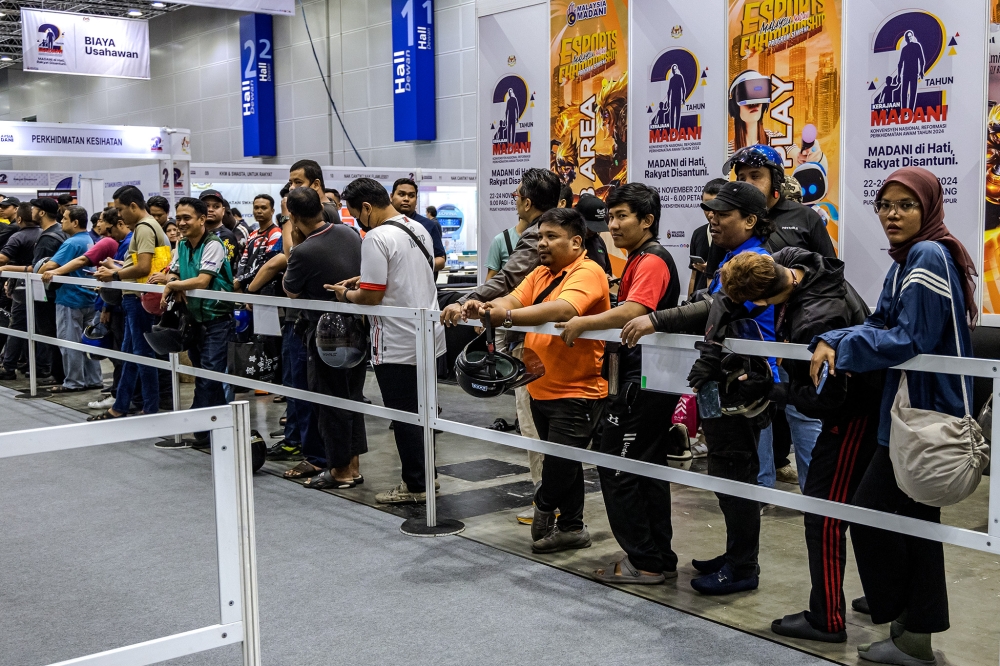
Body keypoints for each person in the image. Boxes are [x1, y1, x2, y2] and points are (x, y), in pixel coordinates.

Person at [810, 167, 976, 665]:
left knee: (873, 514)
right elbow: (882, 322)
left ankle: (908, 625)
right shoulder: (910, 257)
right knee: (913, 522)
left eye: (906, 204)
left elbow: (909, 338)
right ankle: (913, 633)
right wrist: (835, 338)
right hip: (909, 410)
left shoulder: (926, 253)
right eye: (885, 205)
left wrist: (842, 345)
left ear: (928, 207)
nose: (892, 215)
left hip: (921, 410)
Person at [718, 248, 882, 643]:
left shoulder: (815, 322)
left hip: (854, 418)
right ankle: (884, 596)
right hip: (867, 408)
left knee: (822, 515)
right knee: (873, 510)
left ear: (759, 301)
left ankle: (827, 618)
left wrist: (770, 389)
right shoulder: (800, 261)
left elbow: (829, 397)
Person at [622, 181, 777, 595]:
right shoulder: (730, 255)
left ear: (749, 220)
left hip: (743, 386)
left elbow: (712, 306)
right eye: (711, 211)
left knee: (736, 479)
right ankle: (737, 555)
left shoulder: (755, 261)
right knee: (727, 477)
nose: (712, 218)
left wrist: (655, 320)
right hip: (721, 382)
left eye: (723, 213)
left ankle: (743, 568)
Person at [554, 183, 684, 581]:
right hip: (644, 379)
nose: (613, 224)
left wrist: (583, 322)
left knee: (617, 468)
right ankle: (657, 557)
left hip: (643, 383)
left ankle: (644, 562)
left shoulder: (651, 260)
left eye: (622, 216)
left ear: (647, 220)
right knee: (644, 469)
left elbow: (636, 309)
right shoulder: (638, 260)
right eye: (610, 217)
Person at [464, 207, 609, 553]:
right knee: (565, 465)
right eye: (540, 236)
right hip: (540, 387)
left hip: (578, 391)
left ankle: (543, 505)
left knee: (559, 465)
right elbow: (512, 297)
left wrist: (508, 316)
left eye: (550, 237)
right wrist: (487, 307)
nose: (541, 243)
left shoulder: (589, 272)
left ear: (576, 242)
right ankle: (572, 527)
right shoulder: (541, 272)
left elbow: (564, 309)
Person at [440, 168, 561, 519]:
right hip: (545, 342)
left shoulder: (536, 234)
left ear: (527, 200)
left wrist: (466, 303)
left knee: (534, 425)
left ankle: (546, 506)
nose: (544, 245)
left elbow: (509, 280)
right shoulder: (559, 237)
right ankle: (555, 506)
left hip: (537, 344)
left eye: (517, 194)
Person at [329, 177, 446, 505]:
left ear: (366, 208)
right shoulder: (417, 227)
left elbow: (370, 296)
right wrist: (363, 281)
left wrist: (346, 293)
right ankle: (428, 475)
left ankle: (416, 485)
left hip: (396, 340)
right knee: (424, 412)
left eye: (356, 214)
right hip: (428, 335)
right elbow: (402, 275)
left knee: (405, 415)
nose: (358, 222)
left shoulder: (376, 237)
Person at [728, 143, 830, 488]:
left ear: (775, 179)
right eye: (741, 177)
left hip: (797, 340)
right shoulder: (736, 223)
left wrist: (812, 333)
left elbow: (827, 275)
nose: (748, 182)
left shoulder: (805, 218)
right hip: (753, 341)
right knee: (759, 416)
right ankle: (761, 492)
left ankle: (818, 494)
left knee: (804, 417)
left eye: (755, 175)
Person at [281, 186, 367, 488]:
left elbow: (290, 291)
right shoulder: (349, 234)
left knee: (330, 403)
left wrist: (293, 242)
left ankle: (340, 471)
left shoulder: (304, 251)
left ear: (292, 215)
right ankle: (353, 466)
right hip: (357, 328)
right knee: (353, 399)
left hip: (325, 335)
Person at [150, 197, 235, 447]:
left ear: (201, 220)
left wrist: (173, 285)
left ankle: (206, 430)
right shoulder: (183, 244)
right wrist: (174, 279)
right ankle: (212, 428)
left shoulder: (214, 244)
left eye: (187, 218)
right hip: (195, 320)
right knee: (203, 374)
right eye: (180, 218)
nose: (182, 223)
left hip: (217, 320)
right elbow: (175, 269)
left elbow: (202, 280)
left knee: (210, 375)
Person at [89, 186, 171, 421]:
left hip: (139, 300)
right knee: (130, 354)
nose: (120, 216)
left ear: (134, 206)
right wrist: (118, 269)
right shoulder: (145, 228)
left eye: (121, 209)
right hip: (135, 298)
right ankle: (121, 406)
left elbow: (144, 267)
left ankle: (150, 409)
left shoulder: (145, 228)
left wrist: (113, 276)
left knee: (141, 355)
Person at [35, 204, 101, 393]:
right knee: (89, 341)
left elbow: (49, 267)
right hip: (89, 297)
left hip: (70, 298)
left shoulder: (71, 243)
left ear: (75, 222)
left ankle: (73, 382)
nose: (61, 221)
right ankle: (94, 379)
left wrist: (38, 268)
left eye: (64, 218)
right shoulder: (89, 239)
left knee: (69, 343)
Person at [0, 202, 43, 380]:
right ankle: (36, 366)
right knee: (39, 325)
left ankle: (8, 367)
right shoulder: (45, 234)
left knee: (17, 324)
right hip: (42, 287)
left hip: (21, 286)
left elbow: (2, 258)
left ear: (19, 218)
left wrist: (7, 269)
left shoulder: (17, 237)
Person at [29, 197, 69, 385]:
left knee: (49, 333)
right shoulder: (62, 232)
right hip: (61, 293)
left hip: (48, 294)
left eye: (34, 208)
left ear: (42, 213)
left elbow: (38, 269)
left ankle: (58, 374)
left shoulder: (47, 238)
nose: (31, 211)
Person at [390, 178, 446, 273]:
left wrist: (417, 268)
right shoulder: (383, 225)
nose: (406, 199)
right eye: (401, 194)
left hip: (422, 286)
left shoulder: (428, 225)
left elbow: (441, 260)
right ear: (391, 197)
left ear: (416, 200)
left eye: (411, 196)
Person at [689, 178, 729, 296]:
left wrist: (712, 270)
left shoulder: (733, 238)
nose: (711, 213)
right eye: (706, 206)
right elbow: (693, 276)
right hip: (700, 301)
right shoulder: (698, 233)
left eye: (715, 205)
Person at [234, 194, 282, 294]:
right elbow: (243, 260)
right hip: (247, 286)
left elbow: (266, 264)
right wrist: (239, 280)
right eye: (256, 208)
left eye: (264, 208)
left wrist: (241, 281)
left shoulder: (276, 233)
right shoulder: (252, 234)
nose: (259, 211)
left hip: (266, 288)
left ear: (272, 211)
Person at [288, 160, 341, 224]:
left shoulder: (320, 213)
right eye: (290, 183)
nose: (291, 188)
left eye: (298, 182)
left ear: (316, 184)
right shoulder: (327, 206)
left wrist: (285, 216)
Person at [199, 190, 239, 271]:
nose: (210, 210)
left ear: (223, 211)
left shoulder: (226, 236)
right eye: (206, 206)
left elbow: (219, 269)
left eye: (216, 207)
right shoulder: (196, 234)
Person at [575, 193, 613, 276]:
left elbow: (607, 271)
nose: (594, 231)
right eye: (590, 227)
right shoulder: (565, 242)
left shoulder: (598, 241)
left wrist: (606, 277)